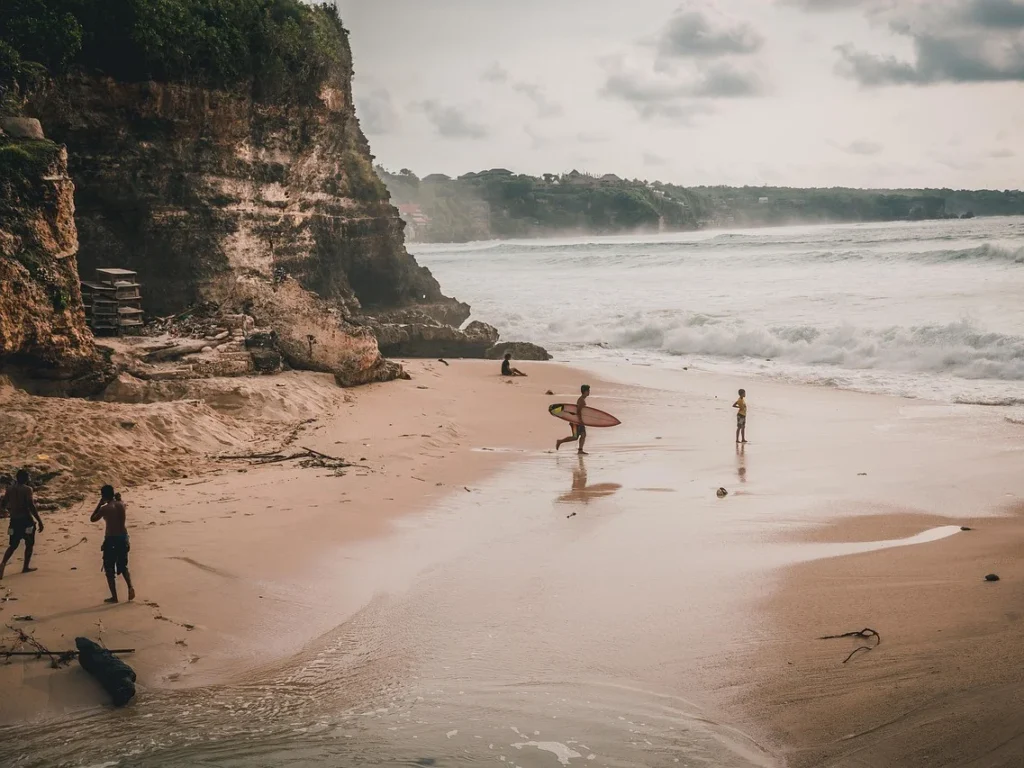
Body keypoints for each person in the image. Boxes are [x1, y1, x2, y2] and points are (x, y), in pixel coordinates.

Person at [90, 485, 135, 603]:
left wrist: (99, 504)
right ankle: (130, 586)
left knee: (109, 568)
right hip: (123, 537)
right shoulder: (122, 504)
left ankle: (114, 597)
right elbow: (119, 501)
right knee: (123, 566)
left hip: (111, 539)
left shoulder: (105, 508)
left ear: (103, 496)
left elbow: (92, 519)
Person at [0, 469, 44, 580]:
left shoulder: (9, 489)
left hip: (14, 521)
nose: (29, 478)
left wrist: (7, 511)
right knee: (29, 543)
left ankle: (3, 563)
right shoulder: (28, 489)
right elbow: (31, 506)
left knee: (13, 545)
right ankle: (25, 567)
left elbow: (3, 503)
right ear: (24, 478)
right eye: (28, 476)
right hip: (26, 521)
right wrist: (39, 520)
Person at [556, 384, 591, 455]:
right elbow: (578, 411)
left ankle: (580, 450)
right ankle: (560, 441)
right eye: (588, 391)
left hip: (577, 420)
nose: (589, 392)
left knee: (583, 435)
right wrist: (580, 421)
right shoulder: (581, 400)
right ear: (585, 391)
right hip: (575, 422)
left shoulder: (582, 399)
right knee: (575, 437)